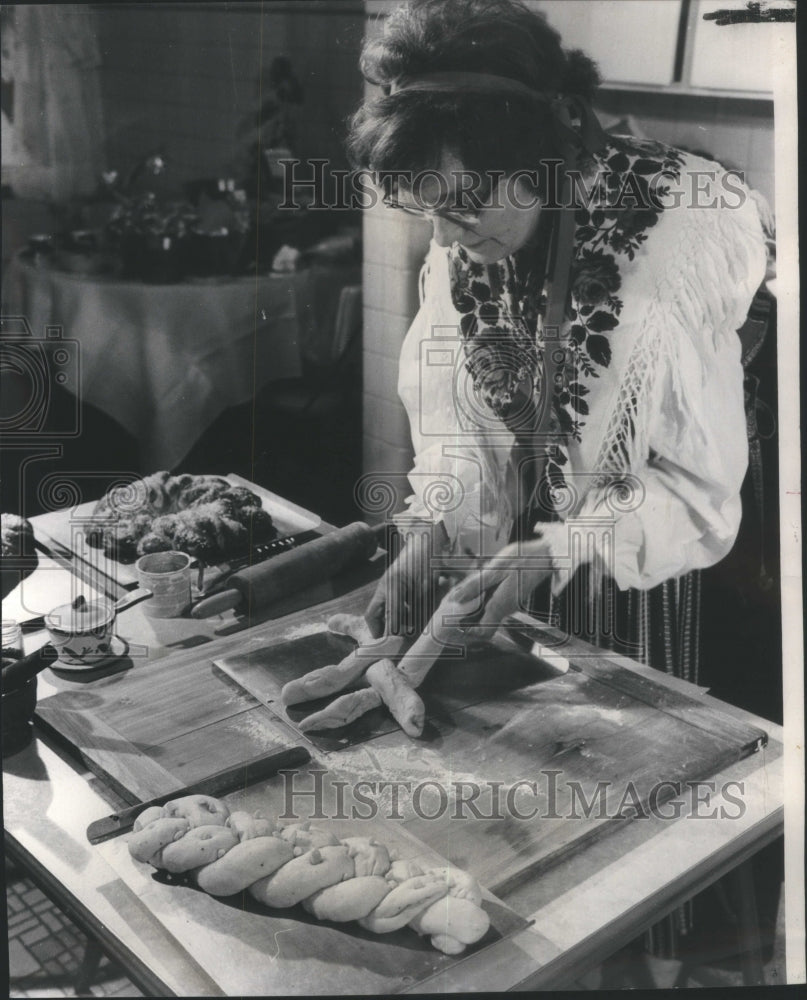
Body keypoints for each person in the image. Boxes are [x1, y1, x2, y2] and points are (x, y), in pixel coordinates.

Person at [287, 0, 770, 717]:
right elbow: (458, 432)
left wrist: (562, 546)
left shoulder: (680, 235)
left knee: (616, 766)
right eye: (428, 212)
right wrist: (431, 532)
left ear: (536, 161)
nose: (445, 242)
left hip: (633, 573)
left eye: (464, 208)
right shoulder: (467, 230)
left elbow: (696, 492)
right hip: (501, 577)